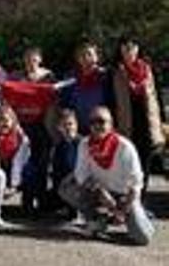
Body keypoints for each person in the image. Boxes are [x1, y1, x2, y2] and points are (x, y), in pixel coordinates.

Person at [59, 106, 154, 245]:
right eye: (93, 122)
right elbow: (81, 175)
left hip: (124, 196)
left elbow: (136, 182)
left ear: (111, 124)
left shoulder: (124, 147)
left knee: (143, 238)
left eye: (102, 121)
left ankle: (141, 214)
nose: (97, 125)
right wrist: (100, 192)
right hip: (100, 191)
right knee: (66, 187)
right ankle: (96, 220)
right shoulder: (84, 145)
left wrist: (122, 209)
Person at [112, 36, 165, 194]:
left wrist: (162, 121)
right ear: (120, 50)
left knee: (144, 163)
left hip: (147, 123)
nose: (129, 50)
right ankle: (126, 201)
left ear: (138, 49)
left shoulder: (147, 69)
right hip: (125, 124)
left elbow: (157, 96)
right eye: (125, 47)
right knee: (127, 163)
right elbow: (110, 99)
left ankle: (141, 200)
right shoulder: (114, 71)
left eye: (133, 46)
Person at [14, 46, 56, 216]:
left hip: (43, 125)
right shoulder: (17, 77)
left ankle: (41, 200)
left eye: (34, 59)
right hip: (24, 126)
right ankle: (27, 201)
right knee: (27, 164)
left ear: (40, 60)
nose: (30, 63)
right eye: (27, 59)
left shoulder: (48, 77)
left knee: (43, 164)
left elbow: (54, 98)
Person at [61, 40, 113, 134]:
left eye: (89, 54)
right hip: (78, 131)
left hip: (102, 128)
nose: (86, 58)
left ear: (96, 57)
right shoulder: (70, 78)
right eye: (82, 55)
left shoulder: (106, 76)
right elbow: (65, 105)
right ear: (77, 58)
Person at [0, 105, 31, 199]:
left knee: (30, 171)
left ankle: (28, 203)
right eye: (0, 120)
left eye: (7, 120)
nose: (4, 123)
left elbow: (23, 159)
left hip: (15, 169)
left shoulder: (20, 138)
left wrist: (14, 184)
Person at [46, 109, 80, 216]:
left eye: (70, 124)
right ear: (59, 128)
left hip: (79, 179)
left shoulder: (82, 143)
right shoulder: (59, 146)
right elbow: (56, 169)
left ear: (76, 125)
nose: (68, 128)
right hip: (64, 182)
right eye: (64, 125)